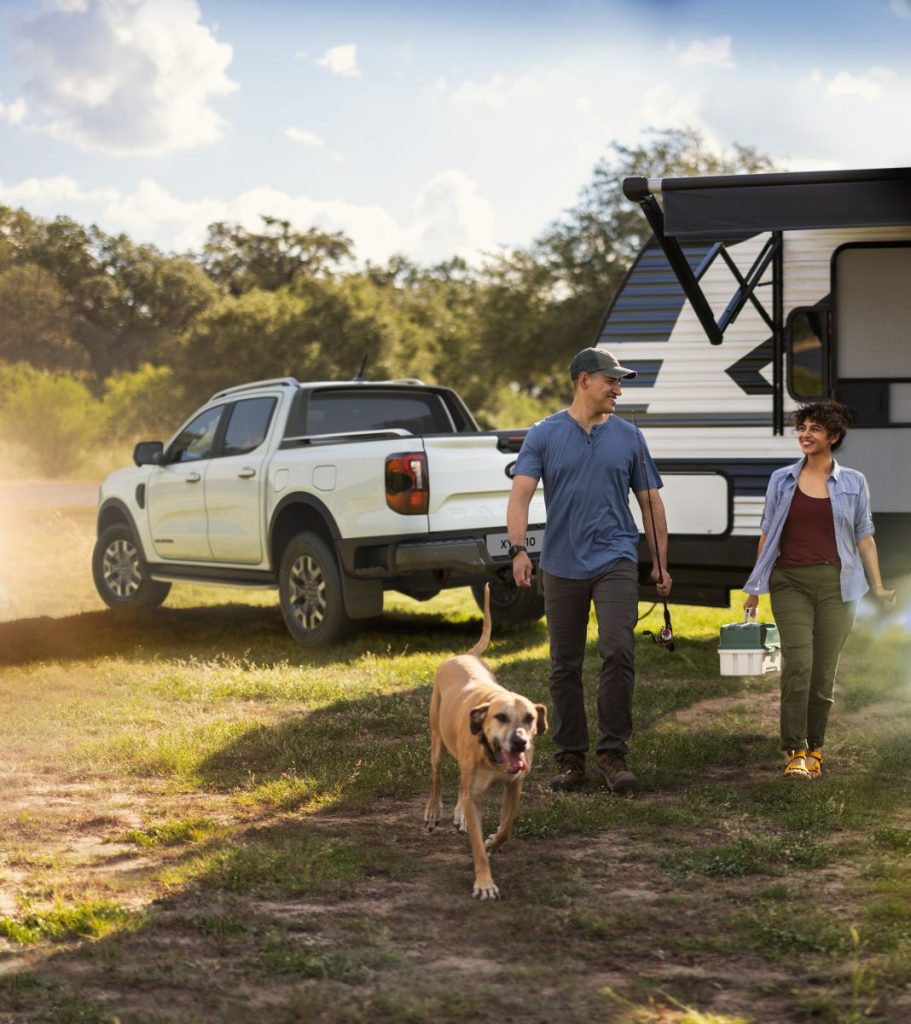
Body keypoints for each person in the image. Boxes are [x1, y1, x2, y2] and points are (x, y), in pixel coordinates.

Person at [506, 347, 672, 793]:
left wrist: (659, 560)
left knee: (618, 650)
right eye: (611, 382)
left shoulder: (629, 437)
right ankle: (570, 757)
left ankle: (612, 754)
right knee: (565, 663)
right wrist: (519, 550)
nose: (618, 390)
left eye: (620, 383)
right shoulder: (543, 434)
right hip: (561, 562)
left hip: (616, 557)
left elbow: (650, 501)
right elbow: (520, 495)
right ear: (584, 380)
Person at [743, 400, 895, 780]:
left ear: (834, 436)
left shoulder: (854, 482)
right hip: (789, 581)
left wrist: (877, 586)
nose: (804, 435)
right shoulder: (781, 479)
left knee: (823, 673)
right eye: (801, 428)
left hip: (838, 587)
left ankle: (815, 748)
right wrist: (753, 587)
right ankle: (794, 750)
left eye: (813, 429)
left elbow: (865, 537)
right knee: (799, 665)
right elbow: (767, 534)